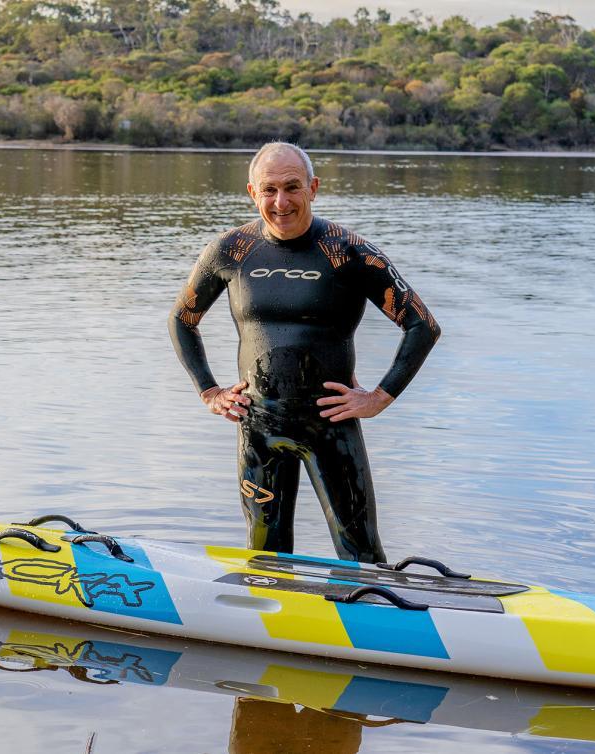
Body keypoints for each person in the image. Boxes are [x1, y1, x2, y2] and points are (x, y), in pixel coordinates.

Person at [168, 142, 440, 563]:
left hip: (330, 428)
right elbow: (182, 320)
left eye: (292, 187)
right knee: (264, 555)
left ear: (313, 188)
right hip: (258, 427)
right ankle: (267, 623)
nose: (281, 201)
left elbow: (422, 325)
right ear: (252, 192)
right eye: (269, 190)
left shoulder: (348, 251)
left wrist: (379, 397)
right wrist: (209, 391)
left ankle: (374, 621)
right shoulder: (230, 250)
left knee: (361, 555)